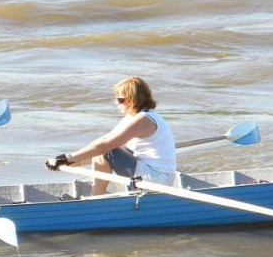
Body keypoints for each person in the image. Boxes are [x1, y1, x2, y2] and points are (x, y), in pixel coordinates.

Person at [46, 76, 176, 195]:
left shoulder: (142, 120)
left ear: (131, 100)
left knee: (107, 150)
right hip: (151, 174)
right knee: (106, 150)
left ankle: (96, 199)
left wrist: (67, 157)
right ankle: (97, 197)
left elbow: (104, 146)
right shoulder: (135, 117)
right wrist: (71, 161)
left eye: (120, 100)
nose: (116, 103)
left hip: (159, 181)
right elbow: (103, 144)